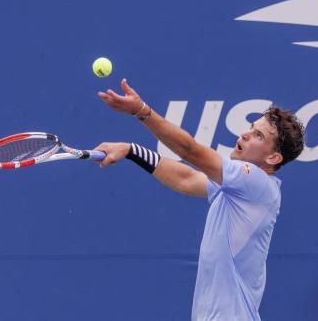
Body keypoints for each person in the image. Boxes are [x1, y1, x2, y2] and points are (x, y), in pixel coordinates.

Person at [95, 79, 305, 321]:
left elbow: (190, 151)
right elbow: (185, 178)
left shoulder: (257, 184)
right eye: (251, 126)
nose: (245, 134)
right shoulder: (237, 190)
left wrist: (141, 111)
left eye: (257, 135)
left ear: (273, 157)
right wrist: (132, 150)